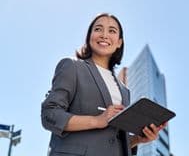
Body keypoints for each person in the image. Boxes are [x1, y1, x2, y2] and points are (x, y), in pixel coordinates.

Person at [41, 13, 166, 156]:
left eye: (112, 31)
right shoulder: (72, 66)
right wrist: (96, 120)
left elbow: (111, 141)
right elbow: (49, 115)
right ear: (89, 37)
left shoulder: (125, 91)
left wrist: (137, 139)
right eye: (98, 29)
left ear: (119, 42)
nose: (104, 35)